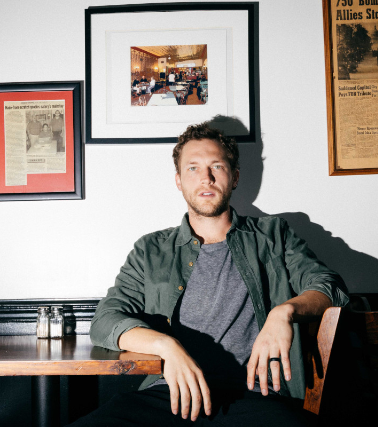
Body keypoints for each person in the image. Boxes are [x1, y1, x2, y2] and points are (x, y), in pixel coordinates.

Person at [69, 123, 349, 427]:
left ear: (235, 176)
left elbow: (330, 287)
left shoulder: (273, 235)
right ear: (178, 180)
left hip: (256, 398)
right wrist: (167, 347)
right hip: (169, 395)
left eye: (217, 166)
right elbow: (105, 320)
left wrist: (284, 312)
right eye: (193, 168)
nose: (206, 177)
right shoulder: (150, 249)